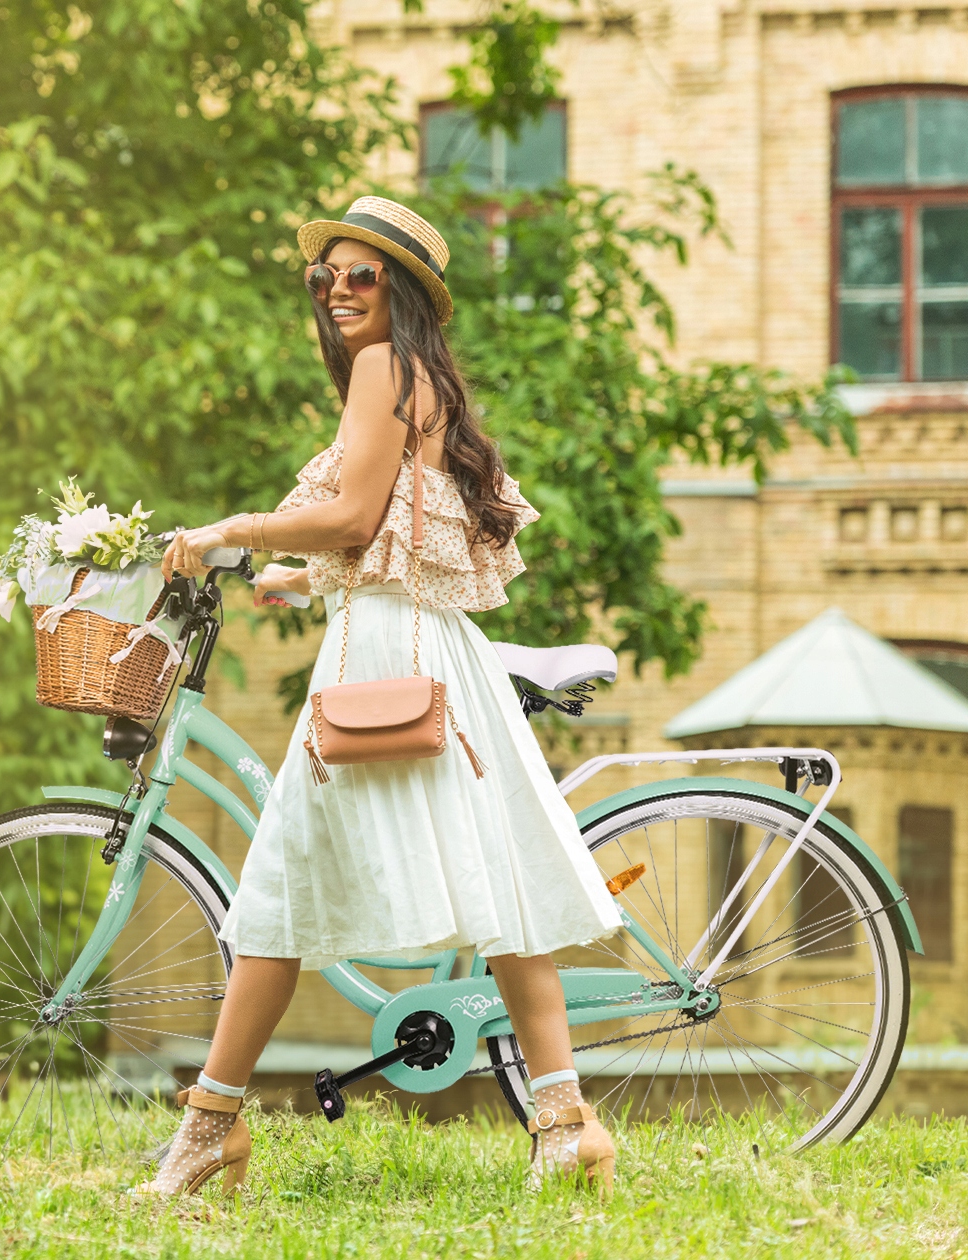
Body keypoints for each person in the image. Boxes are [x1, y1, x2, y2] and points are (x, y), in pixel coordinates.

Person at [144, 197, 623, 1199]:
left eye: (361, 275)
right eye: (325, 276)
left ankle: (209, 1128)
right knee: (500, 896)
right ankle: (564, 1123)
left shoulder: (381, 370)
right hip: (429, 650)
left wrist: (232, 530)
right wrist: (297, 572)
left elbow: (354, 515)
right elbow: (386, 532)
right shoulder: (416, 378)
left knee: (275, 892)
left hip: (381, 661)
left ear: (400, 291)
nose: (338, 291)